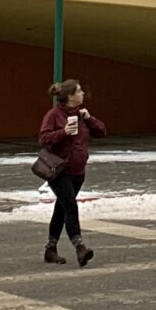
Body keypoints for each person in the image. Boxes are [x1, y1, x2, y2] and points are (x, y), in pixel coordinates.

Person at [37, 78, 105, 267]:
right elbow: (43, 139)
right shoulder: (54, 115)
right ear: (70, 96)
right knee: (70, 206)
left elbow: (102, 131)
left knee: (62, 208)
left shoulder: (82, 115)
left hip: (78, 171)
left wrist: (90, 118)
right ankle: (80, 247)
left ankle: (50, 249)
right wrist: (63, 132)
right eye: (79, 91)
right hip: (59, 171)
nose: (83, 93)